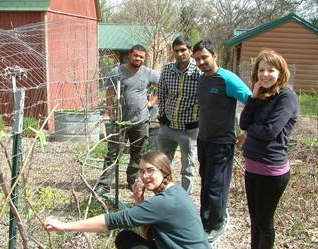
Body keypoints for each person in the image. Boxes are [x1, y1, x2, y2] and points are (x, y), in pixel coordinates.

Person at [44, 151, 211, 249]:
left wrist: (65, 226)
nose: (145, 176)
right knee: (126, 238)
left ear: (164, 171)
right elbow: (149, 236)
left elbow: (114, 220)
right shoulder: (176, 191)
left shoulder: (165, 202)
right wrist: (140, 204)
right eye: (141, 171)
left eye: (150, 170)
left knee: (124, 237)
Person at [192, 40, 252, 246]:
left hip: (222, 142)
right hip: (204, 139)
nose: (201, 62)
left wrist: (246, 130)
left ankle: (216, 222)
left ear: (214, 56)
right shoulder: (202, 79)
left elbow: (251, 100)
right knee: (206, 181)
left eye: (204, 57)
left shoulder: (227, 79)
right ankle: (205, 218)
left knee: (216, 184)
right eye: (197, 59)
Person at [239, 49, 298, 249]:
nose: (264, 74)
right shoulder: (261, 95)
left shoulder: (286, 96)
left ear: (280, 72)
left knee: (265, 223)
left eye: (270, 70)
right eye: (261, 70)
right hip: (252, 167)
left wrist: (251, 129)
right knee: (254, 220)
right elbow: (243, 122)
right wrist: (253, 98)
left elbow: (269, 132)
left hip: (271, 171)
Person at [95, 44, 160, 194]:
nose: (138, 58)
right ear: (130, 55)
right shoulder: (117, 72)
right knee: (113, 153)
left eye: (141, 57)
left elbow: (162, 86)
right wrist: (111, 113)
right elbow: (110, 93)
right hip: (120, 121)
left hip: (141, 121)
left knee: (138, 154)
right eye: (135, 55)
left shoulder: (148, 73)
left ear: (145, 58)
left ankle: (132, 181)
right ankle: (104, 185)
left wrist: (151, 102)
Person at [158, 36, 201, 194]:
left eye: (183, 50)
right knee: (162, 163)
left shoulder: (199, 72)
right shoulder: (168, 69)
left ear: (190, 51)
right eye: (176, 50)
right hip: (168, 126)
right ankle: (163, 195)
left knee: (188, 167)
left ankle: (183, 199)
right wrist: (161, 115)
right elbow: (162, 92)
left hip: (189, 130)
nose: (180, 53)